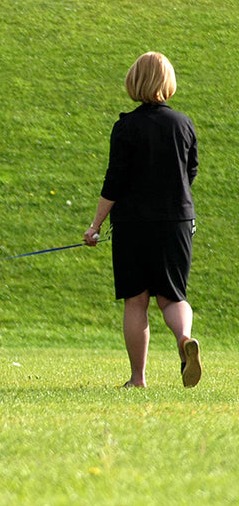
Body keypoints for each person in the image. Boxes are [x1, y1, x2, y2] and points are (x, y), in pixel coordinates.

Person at [84, 51, 201, 388]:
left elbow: (114, 181)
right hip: (177, 221)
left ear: (134, 82)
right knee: (172, 295)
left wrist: (95, 226)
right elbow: (190, 171)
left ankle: (138, 378)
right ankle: (184, 339)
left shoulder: (126, 127)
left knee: (137, 299)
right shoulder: (184, 124)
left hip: (133, 224)